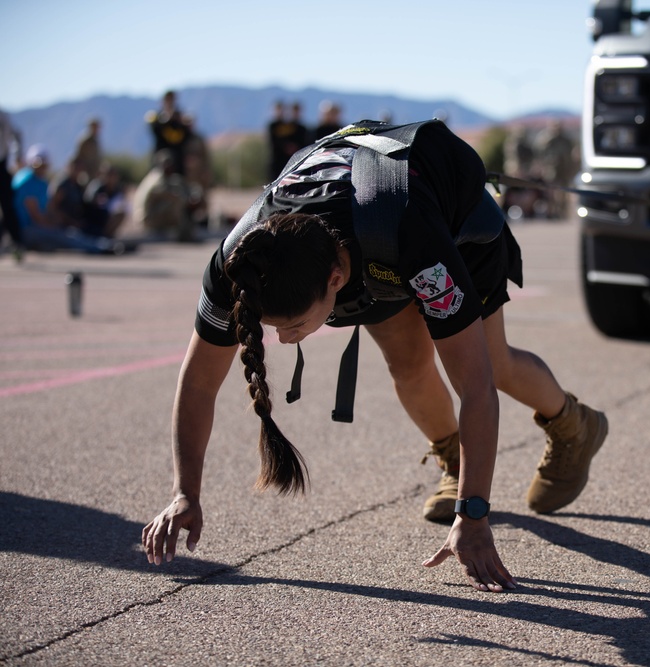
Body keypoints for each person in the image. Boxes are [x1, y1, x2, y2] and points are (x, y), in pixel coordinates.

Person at [142, 119, 609, 593]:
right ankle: (453, 459)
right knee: (408, 365)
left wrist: (474, 512)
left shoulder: (412, 241)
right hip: (367, 241)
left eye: (295, 326)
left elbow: (476, 387)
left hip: (451, 226)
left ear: (334, 281)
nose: (284, 341)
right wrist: (185, 492)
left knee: (494, 363)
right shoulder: (242, 263)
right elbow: (199, 382)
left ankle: (573, 424)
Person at [13, 145, 123, 254]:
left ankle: (103, 244)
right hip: (28, 229)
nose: (42, 167)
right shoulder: (28, 181)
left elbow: (47, 209)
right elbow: (37, 216)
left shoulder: (40, 182)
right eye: (38, 164)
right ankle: (101, 248)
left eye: (44, 164)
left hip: (40, 226)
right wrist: (55, 224)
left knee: (69, 234)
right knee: (67, 236)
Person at [133, 149, 196, 241]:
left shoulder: (157, 175)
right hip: (147, 218)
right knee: (177, 201)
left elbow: (175, 184)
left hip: (149, 214)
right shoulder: (157, 180)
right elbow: (171, 195)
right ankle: (182, 231)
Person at [146, 90, 191, 177]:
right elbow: (153, 129)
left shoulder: (180, 118)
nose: (170, 102)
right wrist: (166, 120)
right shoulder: (157, 117)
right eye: (168, 99)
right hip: (159, 161)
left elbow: (187, 135)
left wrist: (179, 121)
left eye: (172, 99)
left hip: (178, 163)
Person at [0, 106, 23, 258]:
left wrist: (17, 155)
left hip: (1, 163)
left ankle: (17, 243)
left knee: (7, 205)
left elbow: (17, 135)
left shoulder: (3, 116)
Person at [73, 117, 103, 184]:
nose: (97, 129)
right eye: (95, 127)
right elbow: (78, 155)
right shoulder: (85, 141)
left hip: (94, 172)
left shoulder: (96, 141)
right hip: (85, 172)